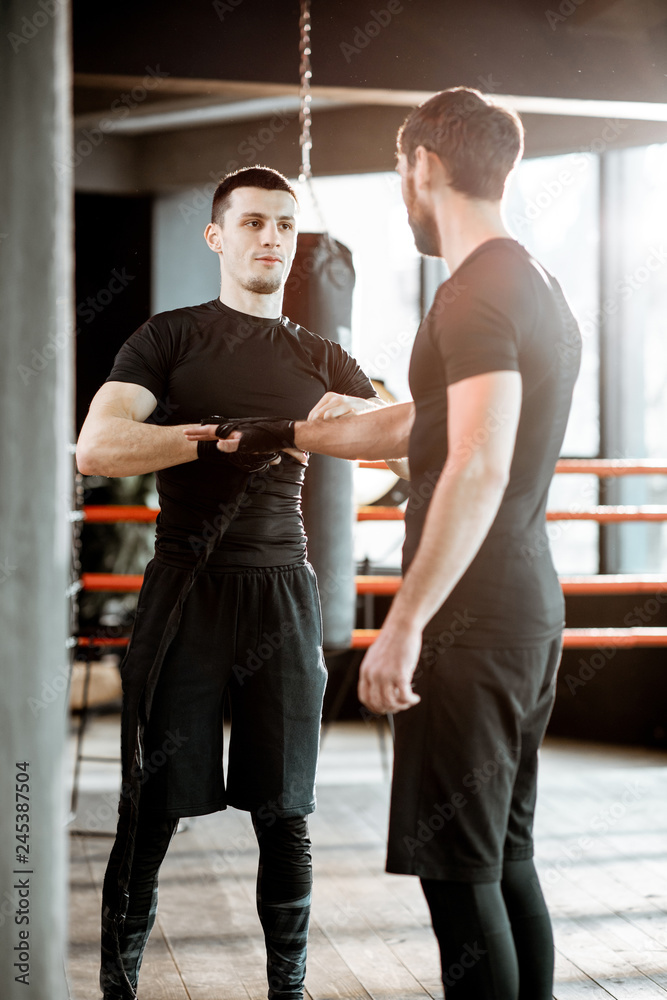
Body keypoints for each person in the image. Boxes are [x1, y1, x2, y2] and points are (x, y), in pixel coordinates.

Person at [189, 88, 582, 1000]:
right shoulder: (532, 281)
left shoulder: (474, 292)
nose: (403, 186)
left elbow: (475, 466)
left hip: (469, 619)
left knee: (459, 876)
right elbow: (438, 425)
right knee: (500, 858)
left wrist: (404, 623)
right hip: (524, 609)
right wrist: (300, 430)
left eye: (402, 168)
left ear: (424, 166)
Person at [75, 165, 390, 1000]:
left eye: (285, 226)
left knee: (285, 811)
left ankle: (287, 988)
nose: (271, 240)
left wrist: (333, 427)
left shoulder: (320, 355)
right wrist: (217, 439)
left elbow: (401, 447)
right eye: (252, 223)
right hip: (185, 588)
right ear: (216, 236)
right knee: (150, 809)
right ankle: (118, 986)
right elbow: (97, 448)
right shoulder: (167, 339)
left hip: (282, 591)